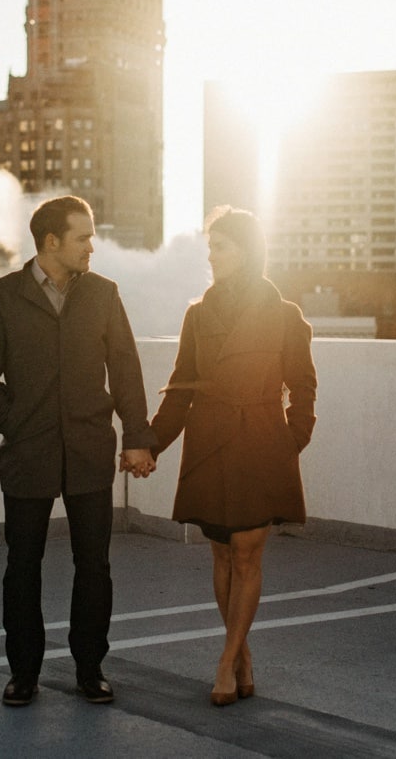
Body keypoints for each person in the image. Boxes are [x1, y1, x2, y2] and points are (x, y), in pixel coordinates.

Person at [0, 195, 156, 708]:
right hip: (29, 454)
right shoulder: (0, 298)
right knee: (22, 565)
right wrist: (14, 421)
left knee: (93, 565)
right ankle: (23, 673)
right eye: (84, 237)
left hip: (90, 452)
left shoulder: (103, 294)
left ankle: (90, 668)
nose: (92, 246)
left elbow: (126, 370)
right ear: (51, 242)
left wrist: (138, 435)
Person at [147, 206, 316, 707]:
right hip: (211, 439)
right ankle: (240, 653)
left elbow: (303, 386)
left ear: (244, 250)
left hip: (261, 441)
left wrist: (292, 440)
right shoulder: (198, 315)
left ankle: (225, 661)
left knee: (247, 552)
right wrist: (149, 443)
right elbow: (180, 390)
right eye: (210, 247)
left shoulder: (286, 316)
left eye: (219, 246)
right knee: (222, 553)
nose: (211, 256)